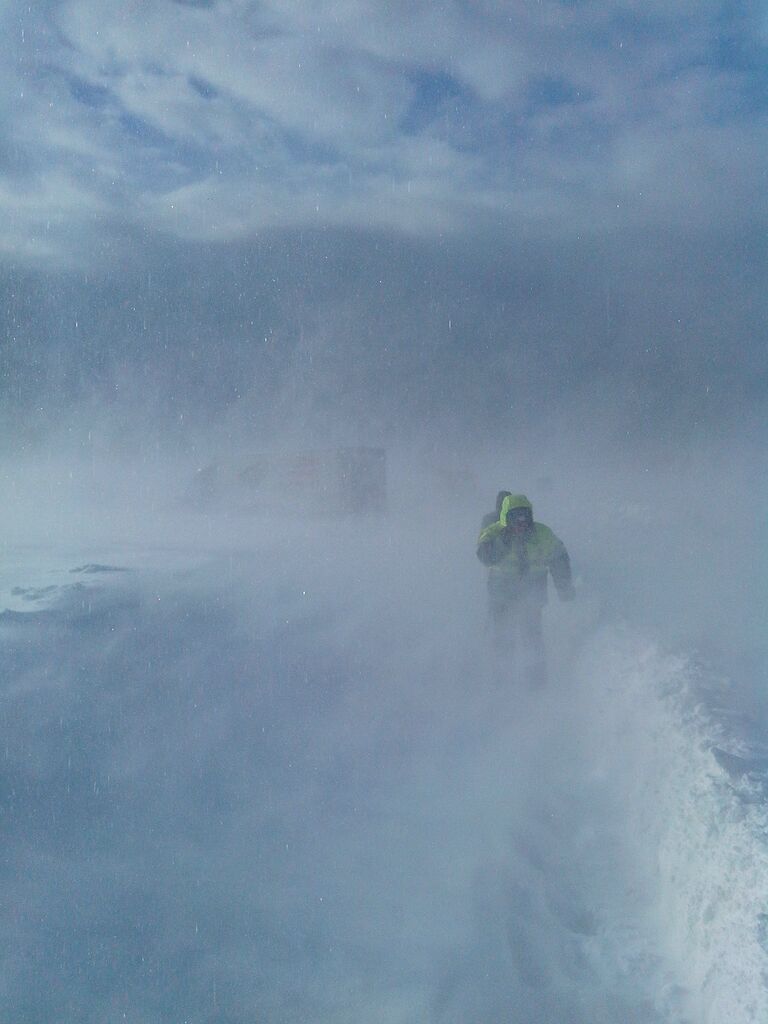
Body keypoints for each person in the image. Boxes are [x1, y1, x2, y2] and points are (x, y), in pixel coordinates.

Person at [476, 494, 574, 684]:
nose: (521, 523)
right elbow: (485, 557)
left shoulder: (542, 534)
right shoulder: (493, 533)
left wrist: (564, 587)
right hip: (501, 596)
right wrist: (504, 541)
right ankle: (502, 680)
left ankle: (537, 681)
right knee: (503, 637)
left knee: (532, 637)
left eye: (524, 517)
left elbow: (559, 559)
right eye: (515, 518)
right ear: (506, 518)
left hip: (532, 596)